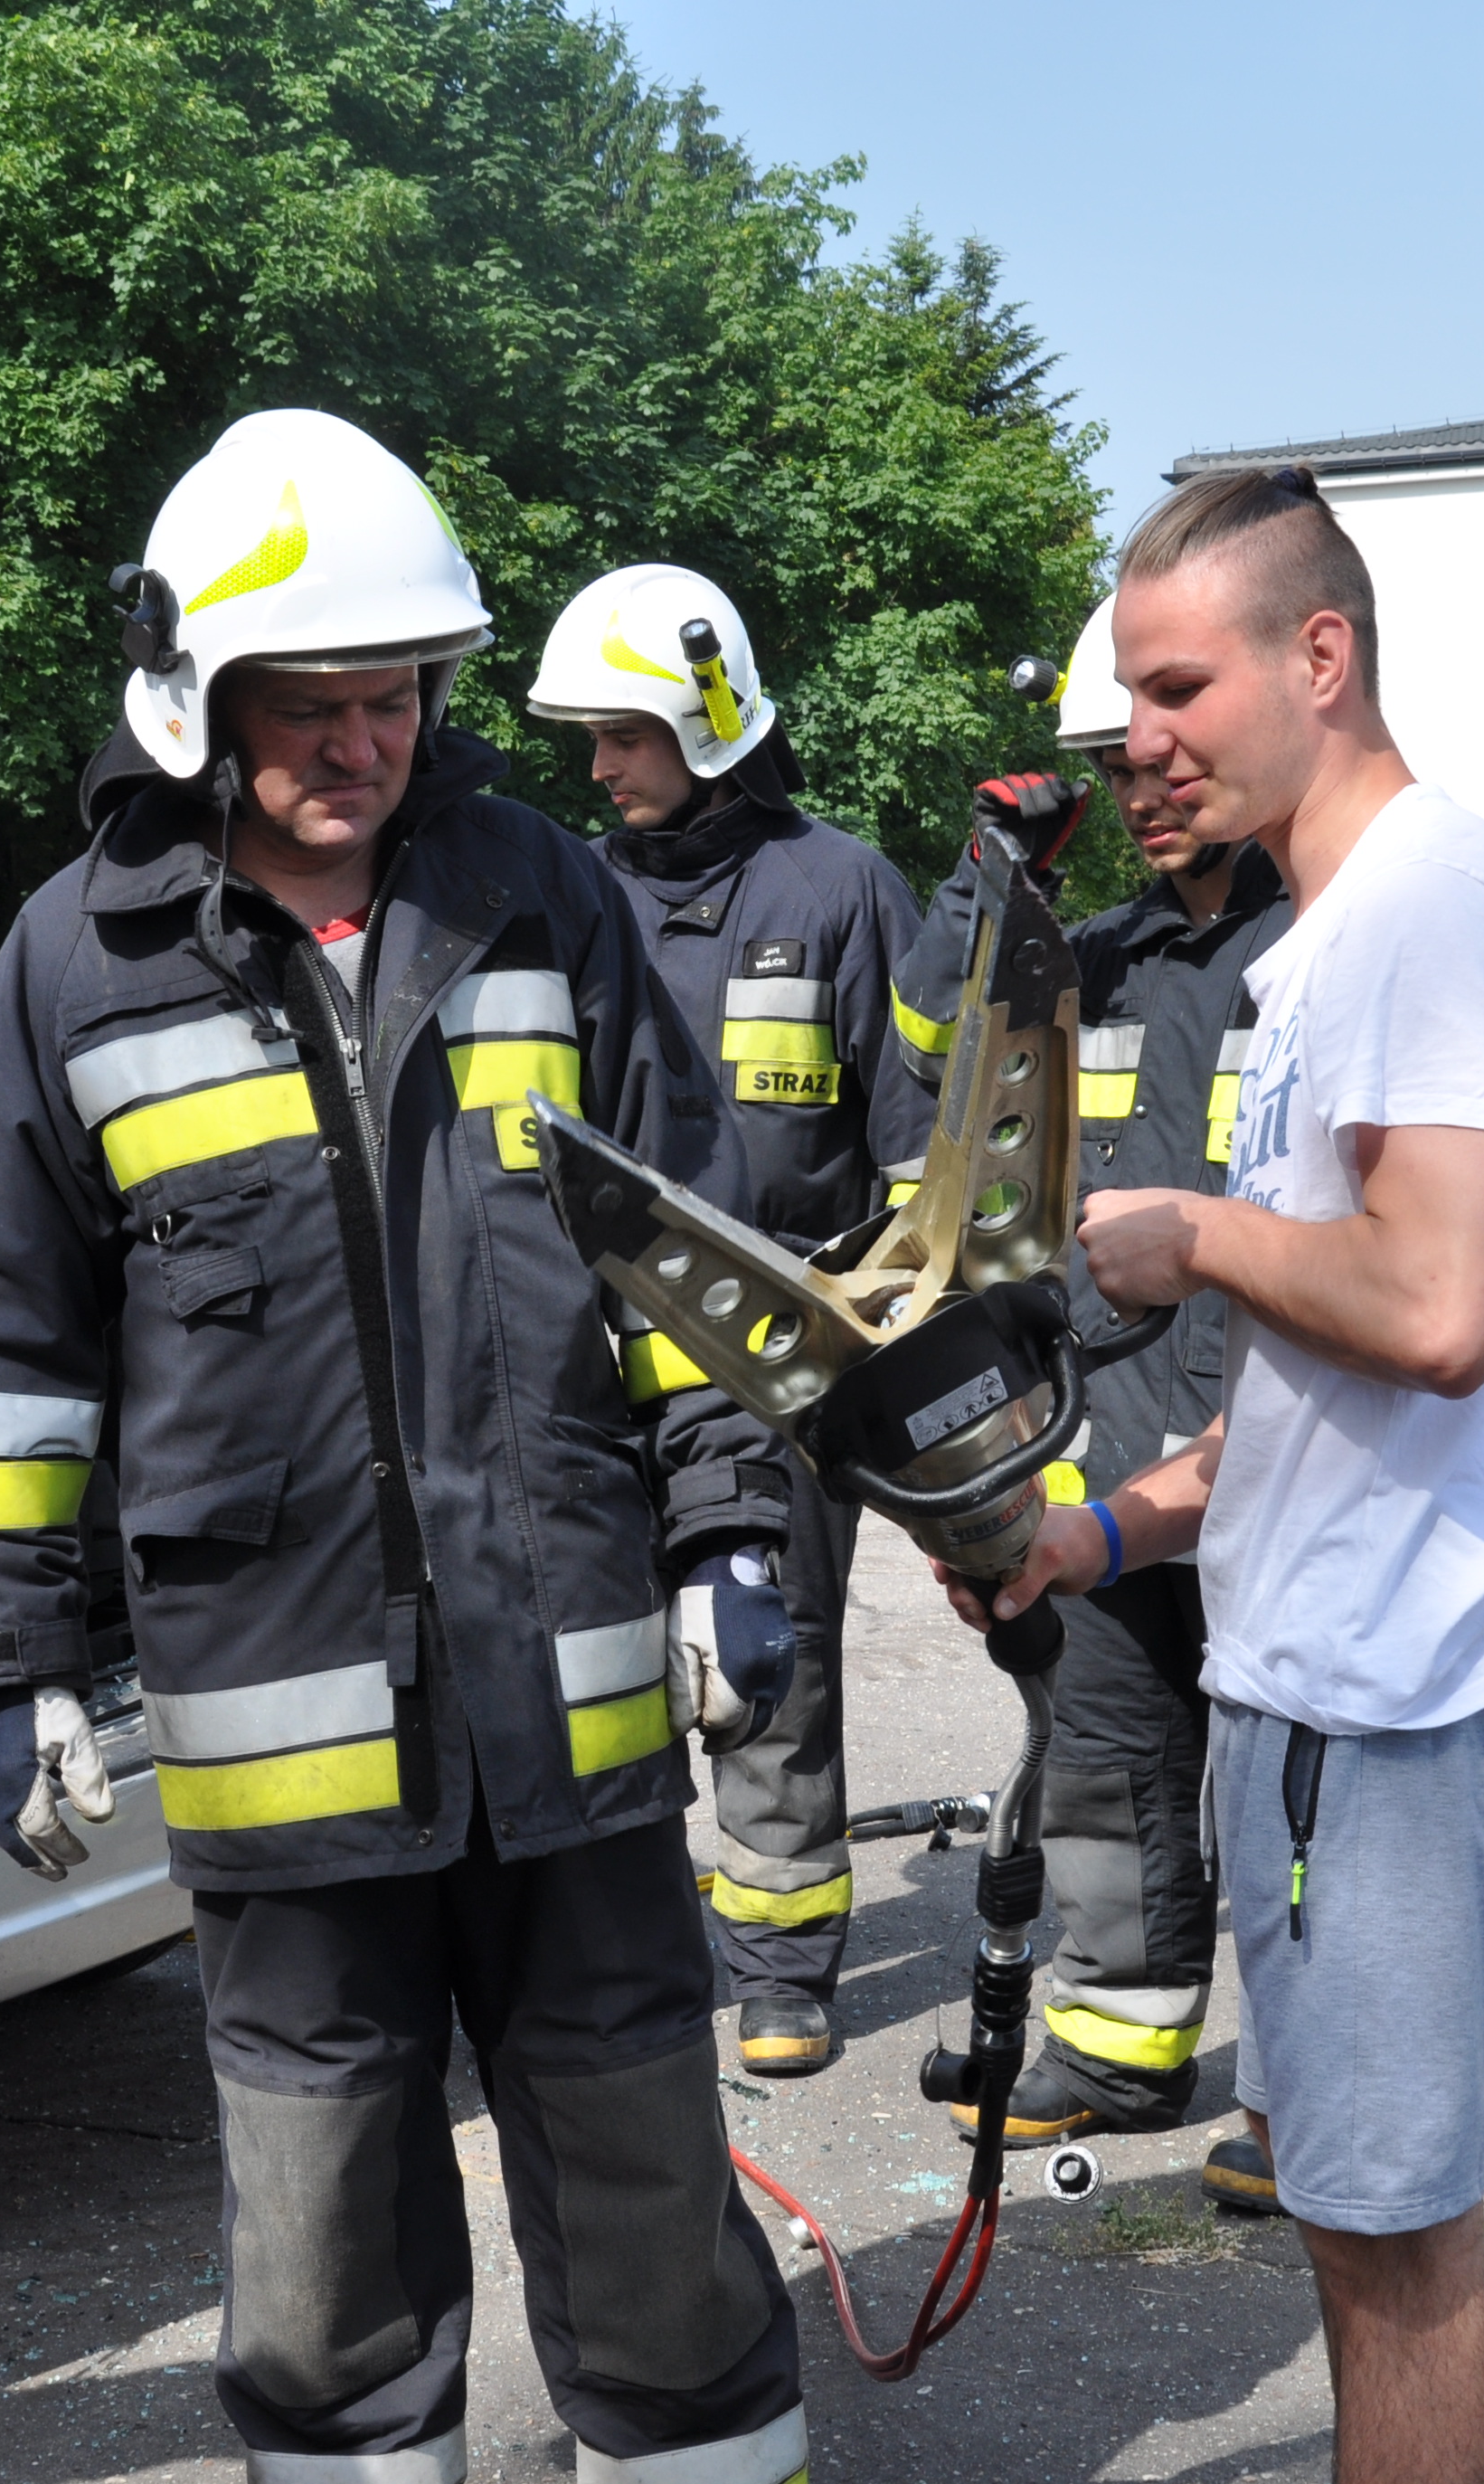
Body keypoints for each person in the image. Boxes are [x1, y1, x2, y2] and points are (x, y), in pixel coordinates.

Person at [0, 410, 825, 2484]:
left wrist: (729, 1526)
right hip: (282, 1726)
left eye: (392, 693)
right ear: (192, 702)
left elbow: (685, 1255)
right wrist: (2, 1655)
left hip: (566, 1709)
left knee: (646, 2177)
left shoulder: (541, 900)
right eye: (307, 702)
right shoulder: (75, 959)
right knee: (319, 2234)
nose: (360, 742)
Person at [932, 463, 1484, 2484]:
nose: (1135, 740)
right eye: (1126, 697)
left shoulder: (1424, 904)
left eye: (1175, 687)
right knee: (1349, 2224)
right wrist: (1096, 1535)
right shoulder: (1322, 947)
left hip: (1401, 1702)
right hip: (1321, 1692)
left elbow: (1441, 1309)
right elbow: (1307, 1407)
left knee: (1394, 2255)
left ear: (1320, 654)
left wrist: (1194, 1234)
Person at [885, 594, 1290, 2159]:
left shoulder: (1318, 942)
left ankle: (1304, 2095)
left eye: (1157, 755)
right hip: (1110, 1445)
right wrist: (991, 882)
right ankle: (1121, 2053)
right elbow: (931, 1062)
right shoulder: (1093, 955)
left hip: (1266, 1439)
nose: (1141, 789)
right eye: (1111, 767)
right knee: (1109, 1761)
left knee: (1289, 1788)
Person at [530, 565, 936, 2077]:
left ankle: (780, 1966)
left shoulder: (841, 892)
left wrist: (888, 1338)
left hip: (786, 1355)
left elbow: (912, 1152)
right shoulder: (564, 896)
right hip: (596, 1348)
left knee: (773, 1655)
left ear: (706, 723)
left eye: (622, 734)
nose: (598, 767)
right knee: (603, 1653)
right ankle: (639, 1946)